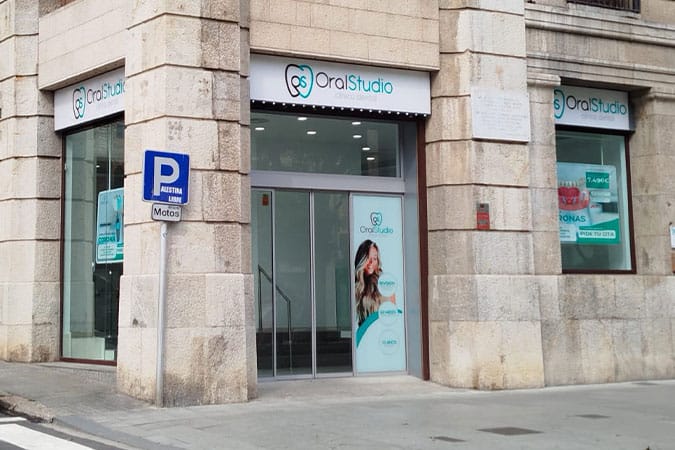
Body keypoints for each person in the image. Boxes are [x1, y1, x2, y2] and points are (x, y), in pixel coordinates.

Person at [354, 239, 395, 326]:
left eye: (375, 258)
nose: (371, 262)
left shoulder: (385, 283)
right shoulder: (356, 286)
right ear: (362, 259)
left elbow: (393, 317)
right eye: (368, 258)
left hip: (383, 330)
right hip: (363, 332)